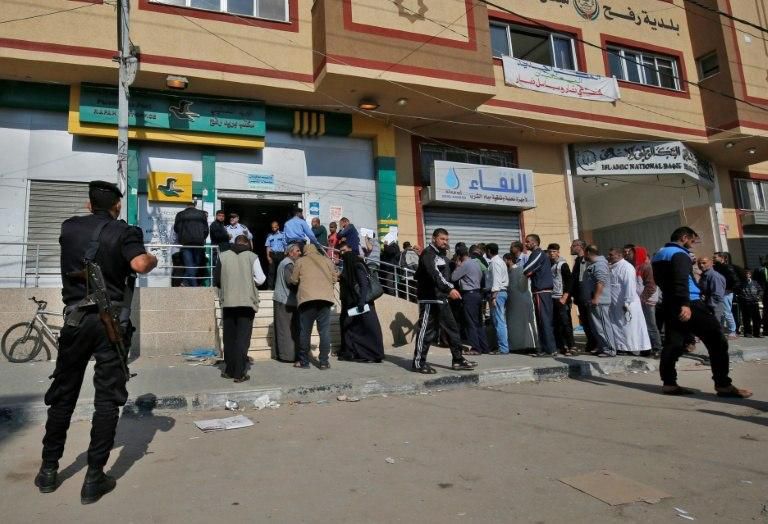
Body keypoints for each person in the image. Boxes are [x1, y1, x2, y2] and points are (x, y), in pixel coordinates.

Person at [36, 180, 158, 504]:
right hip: (110, 324)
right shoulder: (125, 232)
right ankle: (94, 478)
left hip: (75, 320)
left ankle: (48, 470)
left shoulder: (69, 228)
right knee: (107, 400)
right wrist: (152, 259)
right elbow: (139, 265)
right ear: (117, 206)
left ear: (89, 205)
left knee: (63, 394)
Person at [652, 227, 751, 398]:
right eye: (691, 240)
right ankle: (723, 385)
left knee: (673, 343)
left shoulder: (659, 255)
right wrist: (685, 304)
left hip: (670, 302)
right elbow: (681, 280)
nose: (692, 245)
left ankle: (669, 383)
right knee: (717, 340)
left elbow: (662, 281)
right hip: (689, 302)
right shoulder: (679, 254)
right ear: (684, 237)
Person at [412, 228, 477, 374]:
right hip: (429, 298)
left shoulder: (441, 255)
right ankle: (418, 363)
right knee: (426, 331)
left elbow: (446, 274)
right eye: (442, 239)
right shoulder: (428, 254)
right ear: (434, 238)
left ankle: (458, 360)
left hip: (441, 298)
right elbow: (435, 274)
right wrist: (449, 289)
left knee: (452, 329)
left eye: (447, 240)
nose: (445, 242)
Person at [214, 234, 265, 383]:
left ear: (234, 243)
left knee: (229, 337)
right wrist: (249, 280)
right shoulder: (252, 256)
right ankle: (239, 373)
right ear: (247, 243)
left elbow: (217, 280)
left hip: (228, 301)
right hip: (246, 302)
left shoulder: (223, 256)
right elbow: (261, 279)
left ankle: (229, 370)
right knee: (242, 338)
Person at [289, 244, 338, 369]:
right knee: (324, 332)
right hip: (325, 300)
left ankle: (304, 362)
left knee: (305, 332)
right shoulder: (327, 260)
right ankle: (324, 362)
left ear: (305, 251)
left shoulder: (300, 261)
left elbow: (294, 280)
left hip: (307, 300)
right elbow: (334, 278)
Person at [337, 241, 385, 363]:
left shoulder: (357, 266)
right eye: (341, 251)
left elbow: (363, 285)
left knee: (366, 331)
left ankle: (371, 354)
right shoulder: (352, 267)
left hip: (362, 304)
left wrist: (362, 302)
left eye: (344, 251)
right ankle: (352, 353)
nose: (342, 254)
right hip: (357, 304)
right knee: (353, 329)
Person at [606, 247, 651, 355]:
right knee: (620, 327)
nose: (609, 257)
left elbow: (629, 286)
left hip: (627, 303)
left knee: (631, 328)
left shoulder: (626, 267)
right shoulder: (613, 267)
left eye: (611, 255)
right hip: (617, 304)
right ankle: (624, 347)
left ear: (619, 255)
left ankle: (639, 348)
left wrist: (627, 302)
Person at [451, 244, 490, 355]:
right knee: (478, 323)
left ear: (459, 256)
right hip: (478, 294)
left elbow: (454, 277)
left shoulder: (465, 264)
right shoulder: (476, 262)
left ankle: (475, 348)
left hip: (469, 295)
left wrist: (458, 265)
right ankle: (484, 347)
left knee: (470, 323)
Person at [523, 234, 556, 357]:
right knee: (542, 320)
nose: (526, 244)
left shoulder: (538, 253)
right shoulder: (537, 254)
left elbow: (526, 269)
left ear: (535, 243)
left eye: (528, 242)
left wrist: (530, 272)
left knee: (544, 321)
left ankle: (549, 349)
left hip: (541, 291)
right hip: (541, 291)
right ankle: (546, 348)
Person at [627, 246, 663, 357]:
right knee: (642, 325)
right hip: (638, 302)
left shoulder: (646, 267)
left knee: (651, 325)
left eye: (632, 253)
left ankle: (657, 348)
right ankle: (646, 348)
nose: (629, 255)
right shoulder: (635, 267)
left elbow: (651, 286)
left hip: (647, 301)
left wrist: (642, 298)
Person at [584, 245, 615, 357]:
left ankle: (609, 349)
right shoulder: (593, 265)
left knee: (603, 326)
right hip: (593, 301)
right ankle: (602, 347)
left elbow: (600, 282)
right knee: (597, 327)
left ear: (587, 252)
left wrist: (596, 298)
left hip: (600, 301)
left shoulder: (600, 264)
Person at [272, 243, 301, 363]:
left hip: (283, 299)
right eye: (298, 251)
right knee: (286, 329)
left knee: (284, 328)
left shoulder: (285, 263)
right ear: (290, 253)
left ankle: (286, 355)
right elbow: (291, 282)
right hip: (285, 300)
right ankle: (288, 356)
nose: (300, 253)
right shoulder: (288, 264)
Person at [506, 247, 538, 352]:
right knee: (516, 325)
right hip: (513, 302)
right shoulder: (509, 272)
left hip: (522, 301)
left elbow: (523, 287)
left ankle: (529, 346)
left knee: (525, 325)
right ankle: (518, 346)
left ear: (509, 260)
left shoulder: (520, 269)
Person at [568, 239, 598, 353]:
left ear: (580, 246)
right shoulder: (578, 260)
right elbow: (575, 280)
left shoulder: (587, 260)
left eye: (573, 245)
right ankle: (591, 343)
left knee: (592, 321)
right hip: (580, 297)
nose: (571, 247)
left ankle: (596, 344)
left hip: (588, 296)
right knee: (585, 321)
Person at [173, 200, 208, 287]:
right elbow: (206, 229)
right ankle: (193, 285)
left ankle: (186, 281)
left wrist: (182, 236)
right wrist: (202, 237)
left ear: (187, 204)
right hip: (198, 242)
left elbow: (176, 229)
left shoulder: (180, 214)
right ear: (195, 204)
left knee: (190, 265)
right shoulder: (202, 214)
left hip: (186, 243)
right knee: (195, 264)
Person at [549, 243, 575, 356]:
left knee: (566, 322)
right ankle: (562, 346)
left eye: (554, 251)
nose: (552, 254)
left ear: (558, 252)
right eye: (550, 252)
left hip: (562, 298)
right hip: (553, 297)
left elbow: (569, 281)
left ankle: (571, 346)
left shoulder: (562, 265)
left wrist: (565, 297)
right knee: (557, 323)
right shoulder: (551, 265)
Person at [487, 243, 510, 355]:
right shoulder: (500, 261)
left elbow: (496, 280)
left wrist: (494, 296)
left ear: (489, 251)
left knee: (499, 321)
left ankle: (503, 348)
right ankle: (502, 347)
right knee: (499, 320)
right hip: (501, 293)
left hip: (498, 293)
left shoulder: (495, 262)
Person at [713, 252, 741, 339]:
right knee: (720, 312)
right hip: (718, 292)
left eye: (715, 257)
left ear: (722, 258)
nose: (713, 259)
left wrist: (730, 289)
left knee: (726, 312)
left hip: (726, 292)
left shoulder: (728, 268)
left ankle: (732, 331)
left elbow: (736, 281)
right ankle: (720, 330)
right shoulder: (715, 268)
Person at [698, 256, 726, 330]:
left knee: (715, 328)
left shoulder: (714, 276)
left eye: (704, 263)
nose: (701, 265)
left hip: (714, 306)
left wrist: (709, 308)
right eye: (699, 263)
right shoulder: (704, 275)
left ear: (711, 263)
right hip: (709, 304)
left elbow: (717, 295)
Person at [738, 269, 763, 338]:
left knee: (756, 318)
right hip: (745, 303)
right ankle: (747, 333)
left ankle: (756, 333)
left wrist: (758, 297)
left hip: (754, 303)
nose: (747, 275)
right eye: (746, 274)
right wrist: (743, 298)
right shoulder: (741, 283)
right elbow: (738, 292)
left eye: (748, 274)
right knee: (746, 319)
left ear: (751, 275)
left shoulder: (755, 283)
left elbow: (760, 290)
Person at [265, 221, 287, 290]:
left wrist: (286, 255)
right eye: (272, 227)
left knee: (280, 271)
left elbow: (285, 246)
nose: (273, 228)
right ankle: (270, 287)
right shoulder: (269, 236)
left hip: (280, 255)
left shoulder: (282, 235)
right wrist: (268, 256)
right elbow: (268, 246)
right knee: (271, 272)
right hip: (272, 255)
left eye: (275, 227)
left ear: (278, 226)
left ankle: (280, 287)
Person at [752, 258, 768, 336]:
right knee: (766, 311)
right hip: (765, 294)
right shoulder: (759, 270)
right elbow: (755, 282)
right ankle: (766, 329)